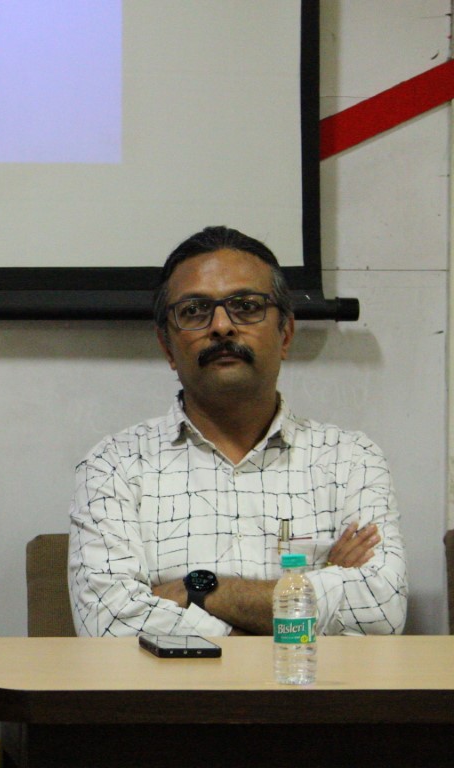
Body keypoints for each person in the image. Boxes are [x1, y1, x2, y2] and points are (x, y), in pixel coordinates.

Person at [68, 226, 407, 637]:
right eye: (195, 310)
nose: (221, 326)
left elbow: (380, 611)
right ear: (167, 347)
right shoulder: (114, 466)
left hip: (307, 684)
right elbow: (107, 626)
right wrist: (310, 597)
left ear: (285, 334)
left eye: (246, 306)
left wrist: (197, 591)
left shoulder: (351, 459)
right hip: (221, 684)